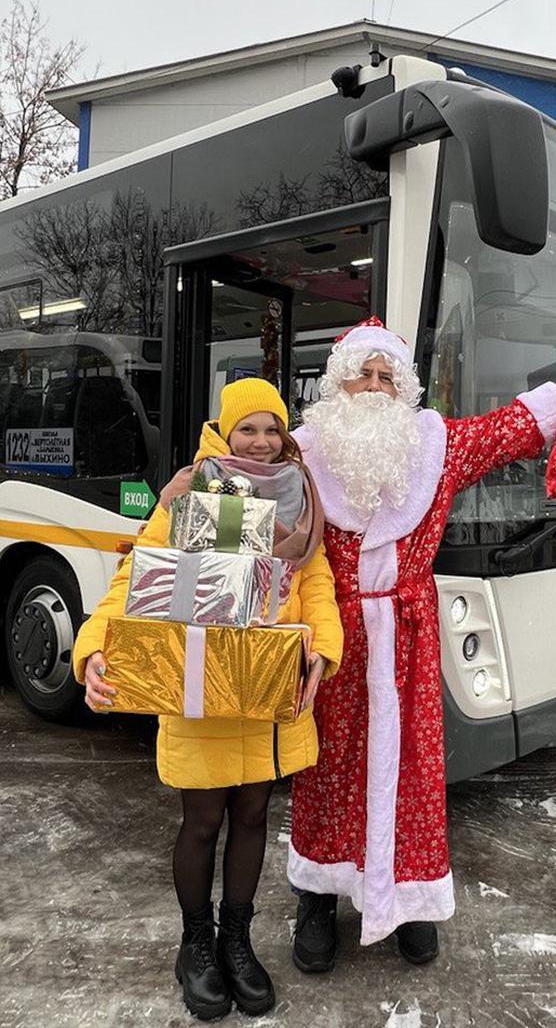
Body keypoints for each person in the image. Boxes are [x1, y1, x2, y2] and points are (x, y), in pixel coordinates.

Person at [288, 316, 556, 970]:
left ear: (404, 390)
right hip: (333, 638)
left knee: (414, 771)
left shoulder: (435, 444)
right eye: (363, 374)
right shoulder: (303, 453)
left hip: (408, 640)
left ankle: (412, 901)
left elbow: (511, 428)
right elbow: (238, 474)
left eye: (387, 376)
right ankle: (317, 895)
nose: (375, 386)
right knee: (326, 765)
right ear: (338, 383)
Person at [73, 379, 343, 1021]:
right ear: (224, 432)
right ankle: (196, 944)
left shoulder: (302, 496)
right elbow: (136, 575)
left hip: (270, 687)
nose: (262, 441)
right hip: (200, 684)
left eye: (272, 429)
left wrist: (323, 649)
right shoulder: (197, 491)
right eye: (247, 428)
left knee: (252, 816)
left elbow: (317, 584)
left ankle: (236, 941)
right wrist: (94, 647)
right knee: (201, 822)